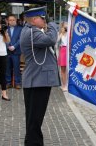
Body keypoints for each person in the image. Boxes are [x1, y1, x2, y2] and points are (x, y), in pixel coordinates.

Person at [20, 7, 60, 146]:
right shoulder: (32, 32)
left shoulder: (31, 31)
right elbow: (51, 39)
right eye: (43, 18)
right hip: (37, 81)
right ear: (34, 19)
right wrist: (53, 25)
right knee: (35, 119)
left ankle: (31, 142)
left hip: (37, 80)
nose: (45, 21)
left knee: (33, 119)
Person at [5, 14, 23, 89]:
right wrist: (8, 46)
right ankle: (8, 82)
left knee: (16, 68)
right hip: (7, 51)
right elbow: (3, 38)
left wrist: (14, 46)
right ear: (8, 21)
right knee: (7, 68)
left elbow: (20, 39)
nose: (12, 21)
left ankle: (17, 82)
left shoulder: (20, 28)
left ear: (16, 20)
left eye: (13, 20)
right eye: (10, 20)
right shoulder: (5, 29)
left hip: (16, 51)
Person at [57, 22, 68, 91]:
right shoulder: (61, 34)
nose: (66, 27)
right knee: (62, 70)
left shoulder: (69, 33)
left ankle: (66, 85)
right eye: (65, 26)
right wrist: (61, 33)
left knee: (66, 70)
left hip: (67, 50)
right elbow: (56, 41)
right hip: (62, 50)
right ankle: (64, 85)